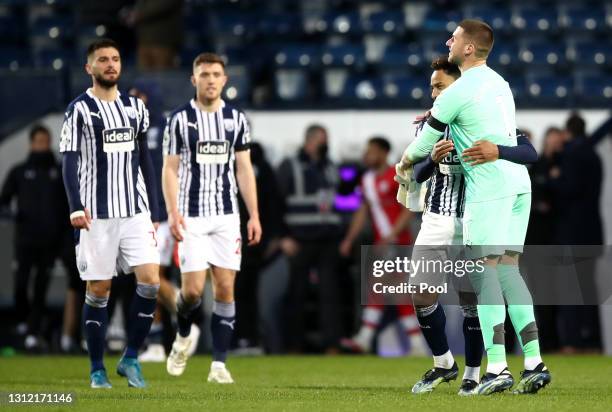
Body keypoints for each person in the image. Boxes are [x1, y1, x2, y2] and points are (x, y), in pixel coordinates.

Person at [398, 20, 550, 395]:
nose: (449, 40)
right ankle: (533, 362)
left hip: (489, 189)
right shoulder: (501, 85)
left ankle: (495, 367)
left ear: (468, 48)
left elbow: (415, 152)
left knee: (484, 278)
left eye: (455, 36)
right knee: (509, 273)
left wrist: (405, 162)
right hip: (518, 186)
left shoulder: (459, 92)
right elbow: (517, 141)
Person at [60, 38, 161, 389]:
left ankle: (131, 357)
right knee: (99, 290)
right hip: (95, 215)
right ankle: (96, 369)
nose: (110, 64)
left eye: (115, 59)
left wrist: (155, 207)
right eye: (103, 59)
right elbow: (69, 161)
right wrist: (75, 205)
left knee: (150, 281)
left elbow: (145, 159)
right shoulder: (79, 110)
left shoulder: (135, 108)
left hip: (134, 210)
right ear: (89, 68)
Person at [162, 52, 262, 383]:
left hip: (226, 215)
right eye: (204, 74)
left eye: (216, 74)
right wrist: (173, 211)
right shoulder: (178, 120)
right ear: (194, 80)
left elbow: (244, 169)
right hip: (191, 215)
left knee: (225, 287)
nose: (210, 79)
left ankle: (219, 364)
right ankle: (183, 334)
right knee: (191, 291)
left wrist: (254, 215)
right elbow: (170, 169)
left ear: (224, 79)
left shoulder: (237, 119)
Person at [338, 136, 426, 356]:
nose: (367, 155)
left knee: (380, 286)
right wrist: (349, 238)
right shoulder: (366, 180)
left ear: (384, 153)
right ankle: (415, 343)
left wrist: (392, 235)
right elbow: (362, 212)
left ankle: (366, 337)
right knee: (394, 291)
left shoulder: (397, 175)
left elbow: (409, 208)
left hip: (397, 242)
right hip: (383, 243)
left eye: (372, 151)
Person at [277, 124, 343, 354]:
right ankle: (294, 345)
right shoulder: (290, 166)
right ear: (311, 141)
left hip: (327, 240)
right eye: (323, 140)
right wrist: (283, 237)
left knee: (330, 295)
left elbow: (340, 201)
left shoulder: (331, 167)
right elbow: (276, 205)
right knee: (297, 293)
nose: (326, 145)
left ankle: (331, 345)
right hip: (299, 239)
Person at [0, 125, 65, 351]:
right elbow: (4, 200)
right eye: (39, 142)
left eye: (46, 142)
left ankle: (32, 329)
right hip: (25, 240)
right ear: (31, 143)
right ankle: (21, 321)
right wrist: (14, 214)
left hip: (50, 241)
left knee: (41, 286)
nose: (43, 146)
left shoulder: (57, 173)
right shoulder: (19, 172)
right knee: (21, 283)